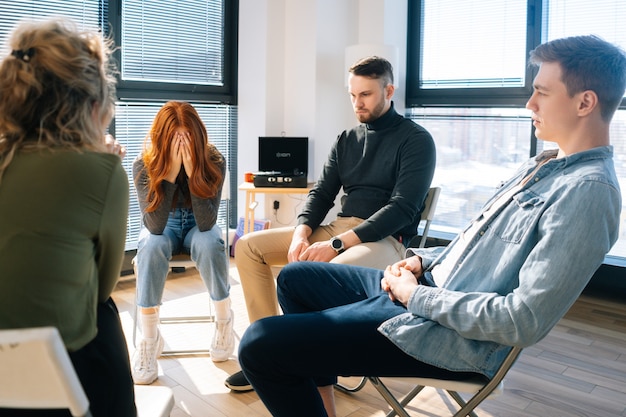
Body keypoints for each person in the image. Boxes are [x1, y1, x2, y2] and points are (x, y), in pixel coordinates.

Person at [237, 34, 626, 417]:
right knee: (295, 278)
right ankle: (322, 403)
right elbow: (481, 248)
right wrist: (422, 261)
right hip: (425, 289)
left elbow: (521, 320)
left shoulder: (588, 192)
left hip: (437, 330)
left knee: (258, 345)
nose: (529, 103)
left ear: (585, 102)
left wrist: (413, 296)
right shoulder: (541, 166)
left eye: (542, 91)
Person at [226, 56, 436, 391]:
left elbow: (401, 209)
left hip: (384, 240)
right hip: (339, 228)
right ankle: (269, 347)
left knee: (315, 275)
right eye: (352, 95)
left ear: (389, 90)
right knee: (249, 246)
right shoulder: (346, 139)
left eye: (365, 94)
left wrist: (336, 245)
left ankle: (300, 357)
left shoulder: (416, 140)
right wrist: (301, 232)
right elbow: (322, 194)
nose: (357, 103)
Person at [0, 18, 135, 416]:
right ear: (93, 105)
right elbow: (104, 286)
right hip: (58, 380)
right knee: (105, 311)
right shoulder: (102, 172)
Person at [131, 100, 235, 385]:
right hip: (163, 226)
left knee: (211, 242)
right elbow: (153, 226)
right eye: (174, 139)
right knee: (150, 246)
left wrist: (192, 173)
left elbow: (206, 223)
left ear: (197, 136)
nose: (180, 145)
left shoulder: (214, 160)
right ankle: (149, 339)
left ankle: (224, 321)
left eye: (186, 138)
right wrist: (167, 174)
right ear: (161, 138)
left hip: (196, 225)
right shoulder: (143, 164)